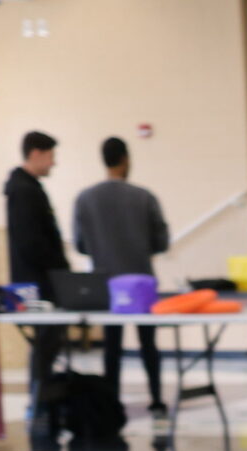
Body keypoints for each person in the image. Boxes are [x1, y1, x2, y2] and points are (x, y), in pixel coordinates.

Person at [72, 136, 170, 424]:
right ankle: (156, 399)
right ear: (125, 159)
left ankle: (111, 399)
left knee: (111, 347)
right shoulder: (144, 197)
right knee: (148, 344)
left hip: (106, 283)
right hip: (141, 281)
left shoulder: (85, 198)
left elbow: (79, 244)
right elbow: (161, 241)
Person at [4, 130, 68, 433]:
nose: (53, 163)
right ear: (36, 153)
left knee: (48, 343)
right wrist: (58, 269)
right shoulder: (23, 190)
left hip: (41, 280)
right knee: (45, 344)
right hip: (37, 284)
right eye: (51, 156)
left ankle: (43, 397)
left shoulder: (28, 188)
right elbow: (33, 243)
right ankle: (38, 399)